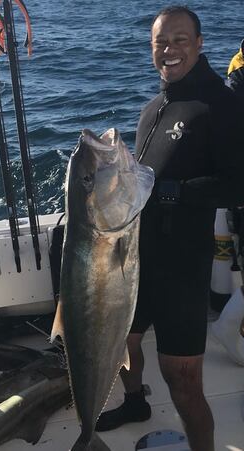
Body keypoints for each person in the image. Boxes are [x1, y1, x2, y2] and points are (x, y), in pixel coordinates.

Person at [96, 6, 244, 451]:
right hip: (136, 262)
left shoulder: (220, 104)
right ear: (151, 49)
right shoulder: (152, 109)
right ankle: (135, 400)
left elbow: (238, 181)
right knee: (123, 342)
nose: (170, 49)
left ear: (200, 44)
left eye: (181, 40)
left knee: (182, 381)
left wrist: (175, 193)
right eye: (161, 42)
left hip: (182, 269)